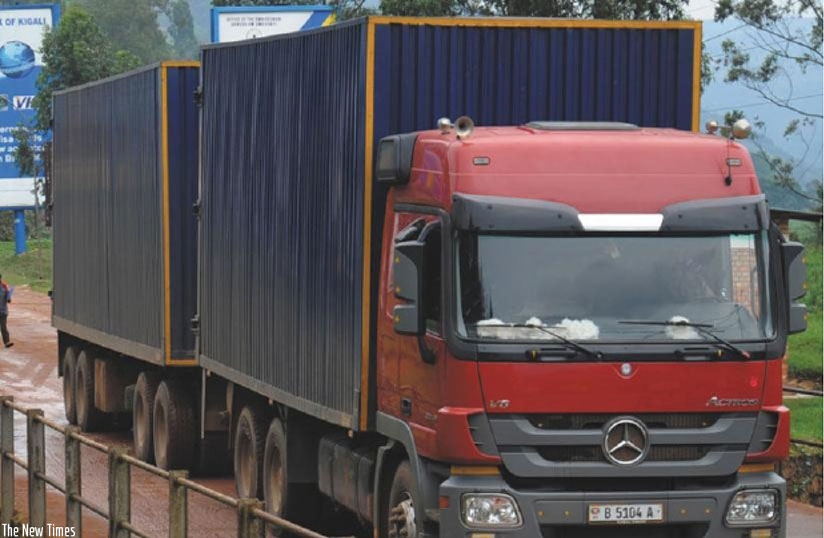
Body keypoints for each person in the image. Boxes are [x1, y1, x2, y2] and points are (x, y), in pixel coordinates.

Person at [0, 273, 12, 348]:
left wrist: (9, 298)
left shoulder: (4, 286)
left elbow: (9, 298)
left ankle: (7, 342)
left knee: (3, 327)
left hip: (3, 311)